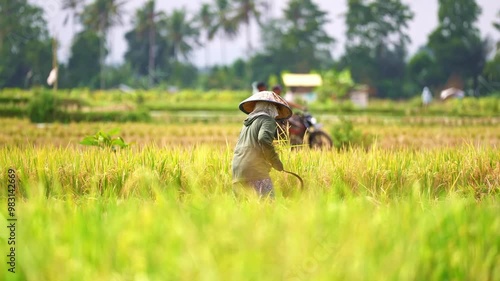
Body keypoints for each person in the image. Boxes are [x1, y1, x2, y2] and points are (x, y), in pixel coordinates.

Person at [232, 91, 292, 198]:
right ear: (271, 108)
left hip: (237, 172)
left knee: (244, 211)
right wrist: (275, 161)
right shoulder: (267, 120)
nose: (277, 113)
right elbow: (264, 139)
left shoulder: (247, 123)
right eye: (276, 109)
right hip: (255, 171)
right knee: (268, 205)